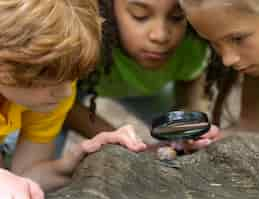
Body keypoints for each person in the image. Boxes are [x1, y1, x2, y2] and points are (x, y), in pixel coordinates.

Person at [0, 0, 147, 199]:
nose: (66, 93)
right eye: (50, 76)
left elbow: (26, 175)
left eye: (71, 76)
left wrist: (72, 164)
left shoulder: (48, 95)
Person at [64, 0, 220, 151]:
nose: (160, 36)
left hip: (149, 88)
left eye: (177, 16)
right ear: (106, 5)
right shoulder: (75, 34)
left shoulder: (192, 38)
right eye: (140, 15)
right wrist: (126, 144)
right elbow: (61, 107)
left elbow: (191, 86)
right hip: (68, 90)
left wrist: (189, 128)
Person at [179, 0, 259, 135]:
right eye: (212, 42)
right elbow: (252, 130)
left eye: (237, 38)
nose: (227, 60)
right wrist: (211, 140)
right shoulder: (258, 53)